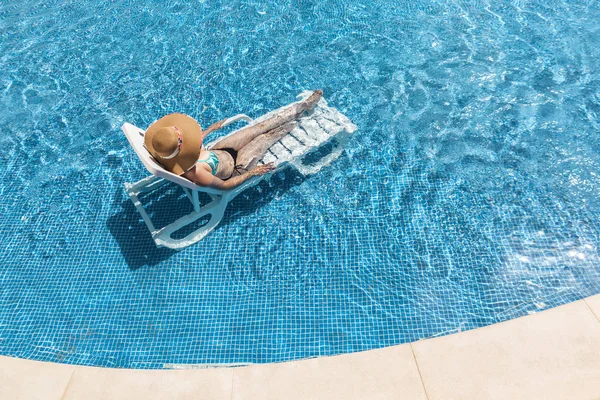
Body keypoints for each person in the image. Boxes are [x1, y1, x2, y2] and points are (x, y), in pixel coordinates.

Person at [144, 90, 323, 190]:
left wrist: (211, 129)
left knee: (260, 126)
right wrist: (253, 172)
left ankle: (303, 106)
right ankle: (296, 120)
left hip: (221, 149)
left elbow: (195, 143)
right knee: (266, 137)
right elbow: (225, 185)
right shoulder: (196, 174)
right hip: (236, 167)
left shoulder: (166, 150)